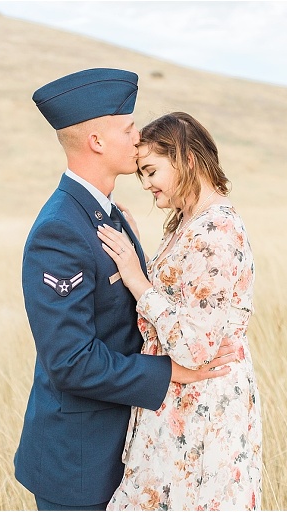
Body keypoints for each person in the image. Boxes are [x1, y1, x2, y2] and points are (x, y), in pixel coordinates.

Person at [14, 70, 238, 511]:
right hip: (80, 462)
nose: (138, 140)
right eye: (128, 129)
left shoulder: (109, 213)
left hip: (130, 453)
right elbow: (70, 362)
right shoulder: (60, 229)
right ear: (97, 141)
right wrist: (174, 371)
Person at [97, 111, 263, 510]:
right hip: (176, 403)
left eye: (152, 170)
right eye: (141, 174)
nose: (146, 184)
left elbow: (195, 346)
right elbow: (178, 297)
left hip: (203, 410)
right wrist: (138, 248)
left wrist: (137, 279)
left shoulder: (217, 230)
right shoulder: (184, 222)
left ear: (187, 159)